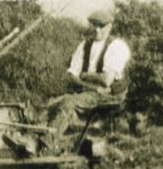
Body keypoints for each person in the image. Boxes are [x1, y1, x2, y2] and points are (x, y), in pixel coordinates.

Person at [45, 9, 131, 149]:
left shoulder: (116, 46)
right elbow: (70, 76)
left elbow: (106, 80)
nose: (97, 30)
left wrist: (84, 75)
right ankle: (34, 140)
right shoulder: (84, 45)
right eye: (93, 25)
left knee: (69, 102)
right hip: (91, 91)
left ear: (109, 27)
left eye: (101, 26)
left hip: (111, 95)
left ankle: (47, 144)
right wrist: (90, 85)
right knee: (52, 104)